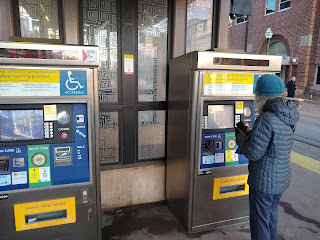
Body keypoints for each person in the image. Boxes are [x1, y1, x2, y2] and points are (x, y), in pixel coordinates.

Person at [235, 74, 299, 240]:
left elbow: (253, 153)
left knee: (259, 222)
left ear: (261, 95)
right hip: (280, 178)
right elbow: (273, 141)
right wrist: (250, 132)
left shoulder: (266, 118)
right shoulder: (287, 115)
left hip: (264, 181)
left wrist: (240, 137)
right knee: (270, 217)